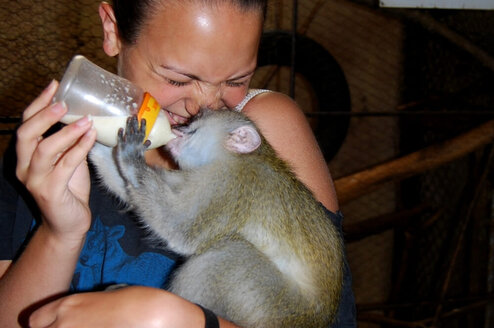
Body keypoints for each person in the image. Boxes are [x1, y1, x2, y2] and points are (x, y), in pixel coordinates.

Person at [0, 0, 356, 327]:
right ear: (112, 31)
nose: (203, 105)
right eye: (178, 79)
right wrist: (60, 231)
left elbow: (181, 228)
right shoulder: (45, 148)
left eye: (236, 80)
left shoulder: (255, 135)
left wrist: (179, 319)